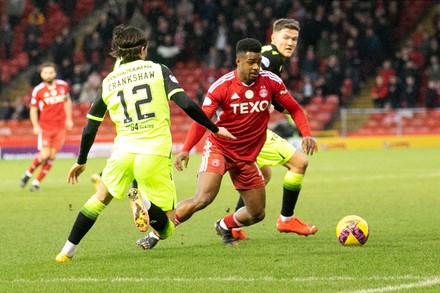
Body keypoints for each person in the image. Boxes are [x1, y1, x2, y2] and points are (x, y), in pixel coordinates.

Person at [55, 24, 234, 262]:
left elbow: (90, 127)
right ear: (143, 49)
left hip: (122, 153)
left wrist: (81, 161)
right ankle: (144, 200)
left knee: (99, 199)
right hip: (154, 152)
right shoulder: (158, 70)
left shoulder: (109, 81)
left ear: (117, 54)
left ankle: (67, 250)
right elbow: (188, 104)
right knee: (167, 228)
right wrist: (214, 127)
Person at [137, 37, 316, 247]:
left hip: (247, 158)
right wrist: (186, 149)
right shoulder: (221, 87)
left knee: (257, 213)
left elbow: (294, 108)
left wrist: (306, 133)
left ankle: (224, 224)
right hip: (220, 149)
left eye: (258, 61)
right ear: (238, 62)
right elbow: (202, 120)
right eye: (251, 62)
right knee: (203, 197)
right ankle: (155, 235)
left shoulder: (272, 82)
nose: (256, 67)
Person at [233, 18, 318, 241]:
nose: (290, 43)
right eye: (285, 38)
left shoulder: (272, 58)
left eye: (294, 39)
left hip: (241, 129)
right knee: (299, 163)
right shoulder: (268, 59)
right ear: (273, 38)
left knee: (263, 175)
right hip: (249, 131)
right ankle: (286, 219)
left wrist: (286, 109)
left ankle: (231, 226)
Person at [20, 63, 73, 192]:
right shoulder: (38, 90)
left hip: (60, 127)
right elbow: (33, 109)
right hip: (46, 127)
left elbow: (67, 101)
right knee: (44, 155)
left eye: (50, 72)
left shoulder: (63, 86)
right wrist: (35, 125)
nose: (48, 75)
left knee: (52, 156)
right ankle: (28, 173)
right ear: (41, 74)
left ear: (55, 73)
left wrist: (69, 119)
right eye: (45, 73)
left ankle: (36, 183)